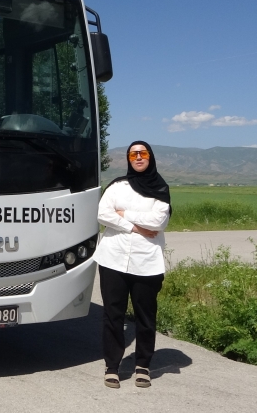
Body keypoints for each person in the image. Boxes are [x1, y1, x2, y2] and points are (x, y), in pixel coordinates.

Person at [94, 140, 171, 389]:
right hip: (112, 259)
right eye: (133, 154)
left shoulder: (160, 188)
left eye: (143, 153)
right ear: (128, 159)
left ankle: (142, 366)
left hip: (146, 262)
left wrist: (123, 215)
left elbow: (159, 220)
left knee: (145, 317)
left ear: (150, 157)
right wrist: (136, 226)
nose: (138, 157)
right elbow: (102, 213)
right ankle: (112, 367)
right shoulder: (117, 186)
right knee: (113, 315)